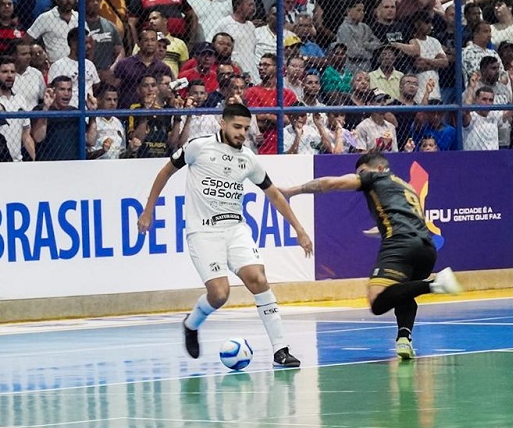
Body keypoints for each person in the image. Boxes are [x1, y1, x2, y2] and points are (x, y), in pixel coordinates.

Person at [136, 102, 312, 368]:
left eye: (245, 128)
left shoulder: (249, 159)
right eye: (237, 127)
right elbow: (165, 173)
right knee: (220, 294)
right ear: (223, 123)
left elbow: (273, 193)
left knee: (258, 278)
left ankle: (280, 349)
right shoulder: (199, 147)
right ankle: (191, 324)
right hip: (203, 232)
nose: (242, 133)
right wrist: (148, 211)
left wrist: (299, 230)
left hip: (235, 228)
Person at [278, 150, 463, 360]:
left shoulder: (376, 177)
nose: (360, 176)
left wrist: (292, 191)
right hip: (426, 249)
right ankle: (404, 338)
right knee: (403, 292)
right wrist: (379, 230)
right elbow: (407, 217)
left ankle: (435, 284)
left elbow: (331, 183)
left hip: (400, 244)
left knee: (377, 301)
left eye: (362, 172)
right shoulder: (406, 187)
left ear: (380, 168)